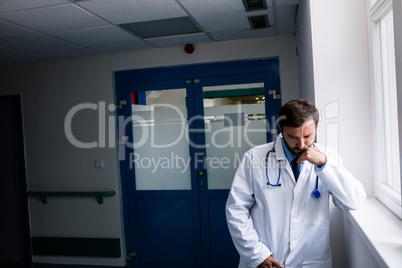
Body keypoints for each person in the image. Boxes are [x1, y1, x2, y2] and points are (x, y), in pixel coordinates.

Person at [226, 99, 366, 268]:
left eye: (308, 136)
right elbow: (236, 209)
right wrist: (256, 254)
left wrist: (324, 165)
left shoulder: (329, 157)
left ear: (316, 128)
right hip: (267, 259)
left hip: (311, 260)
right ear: (281, 129)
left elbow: (353, 201)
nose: (301, 144)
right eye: (292, 137)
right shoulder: (254, 158)